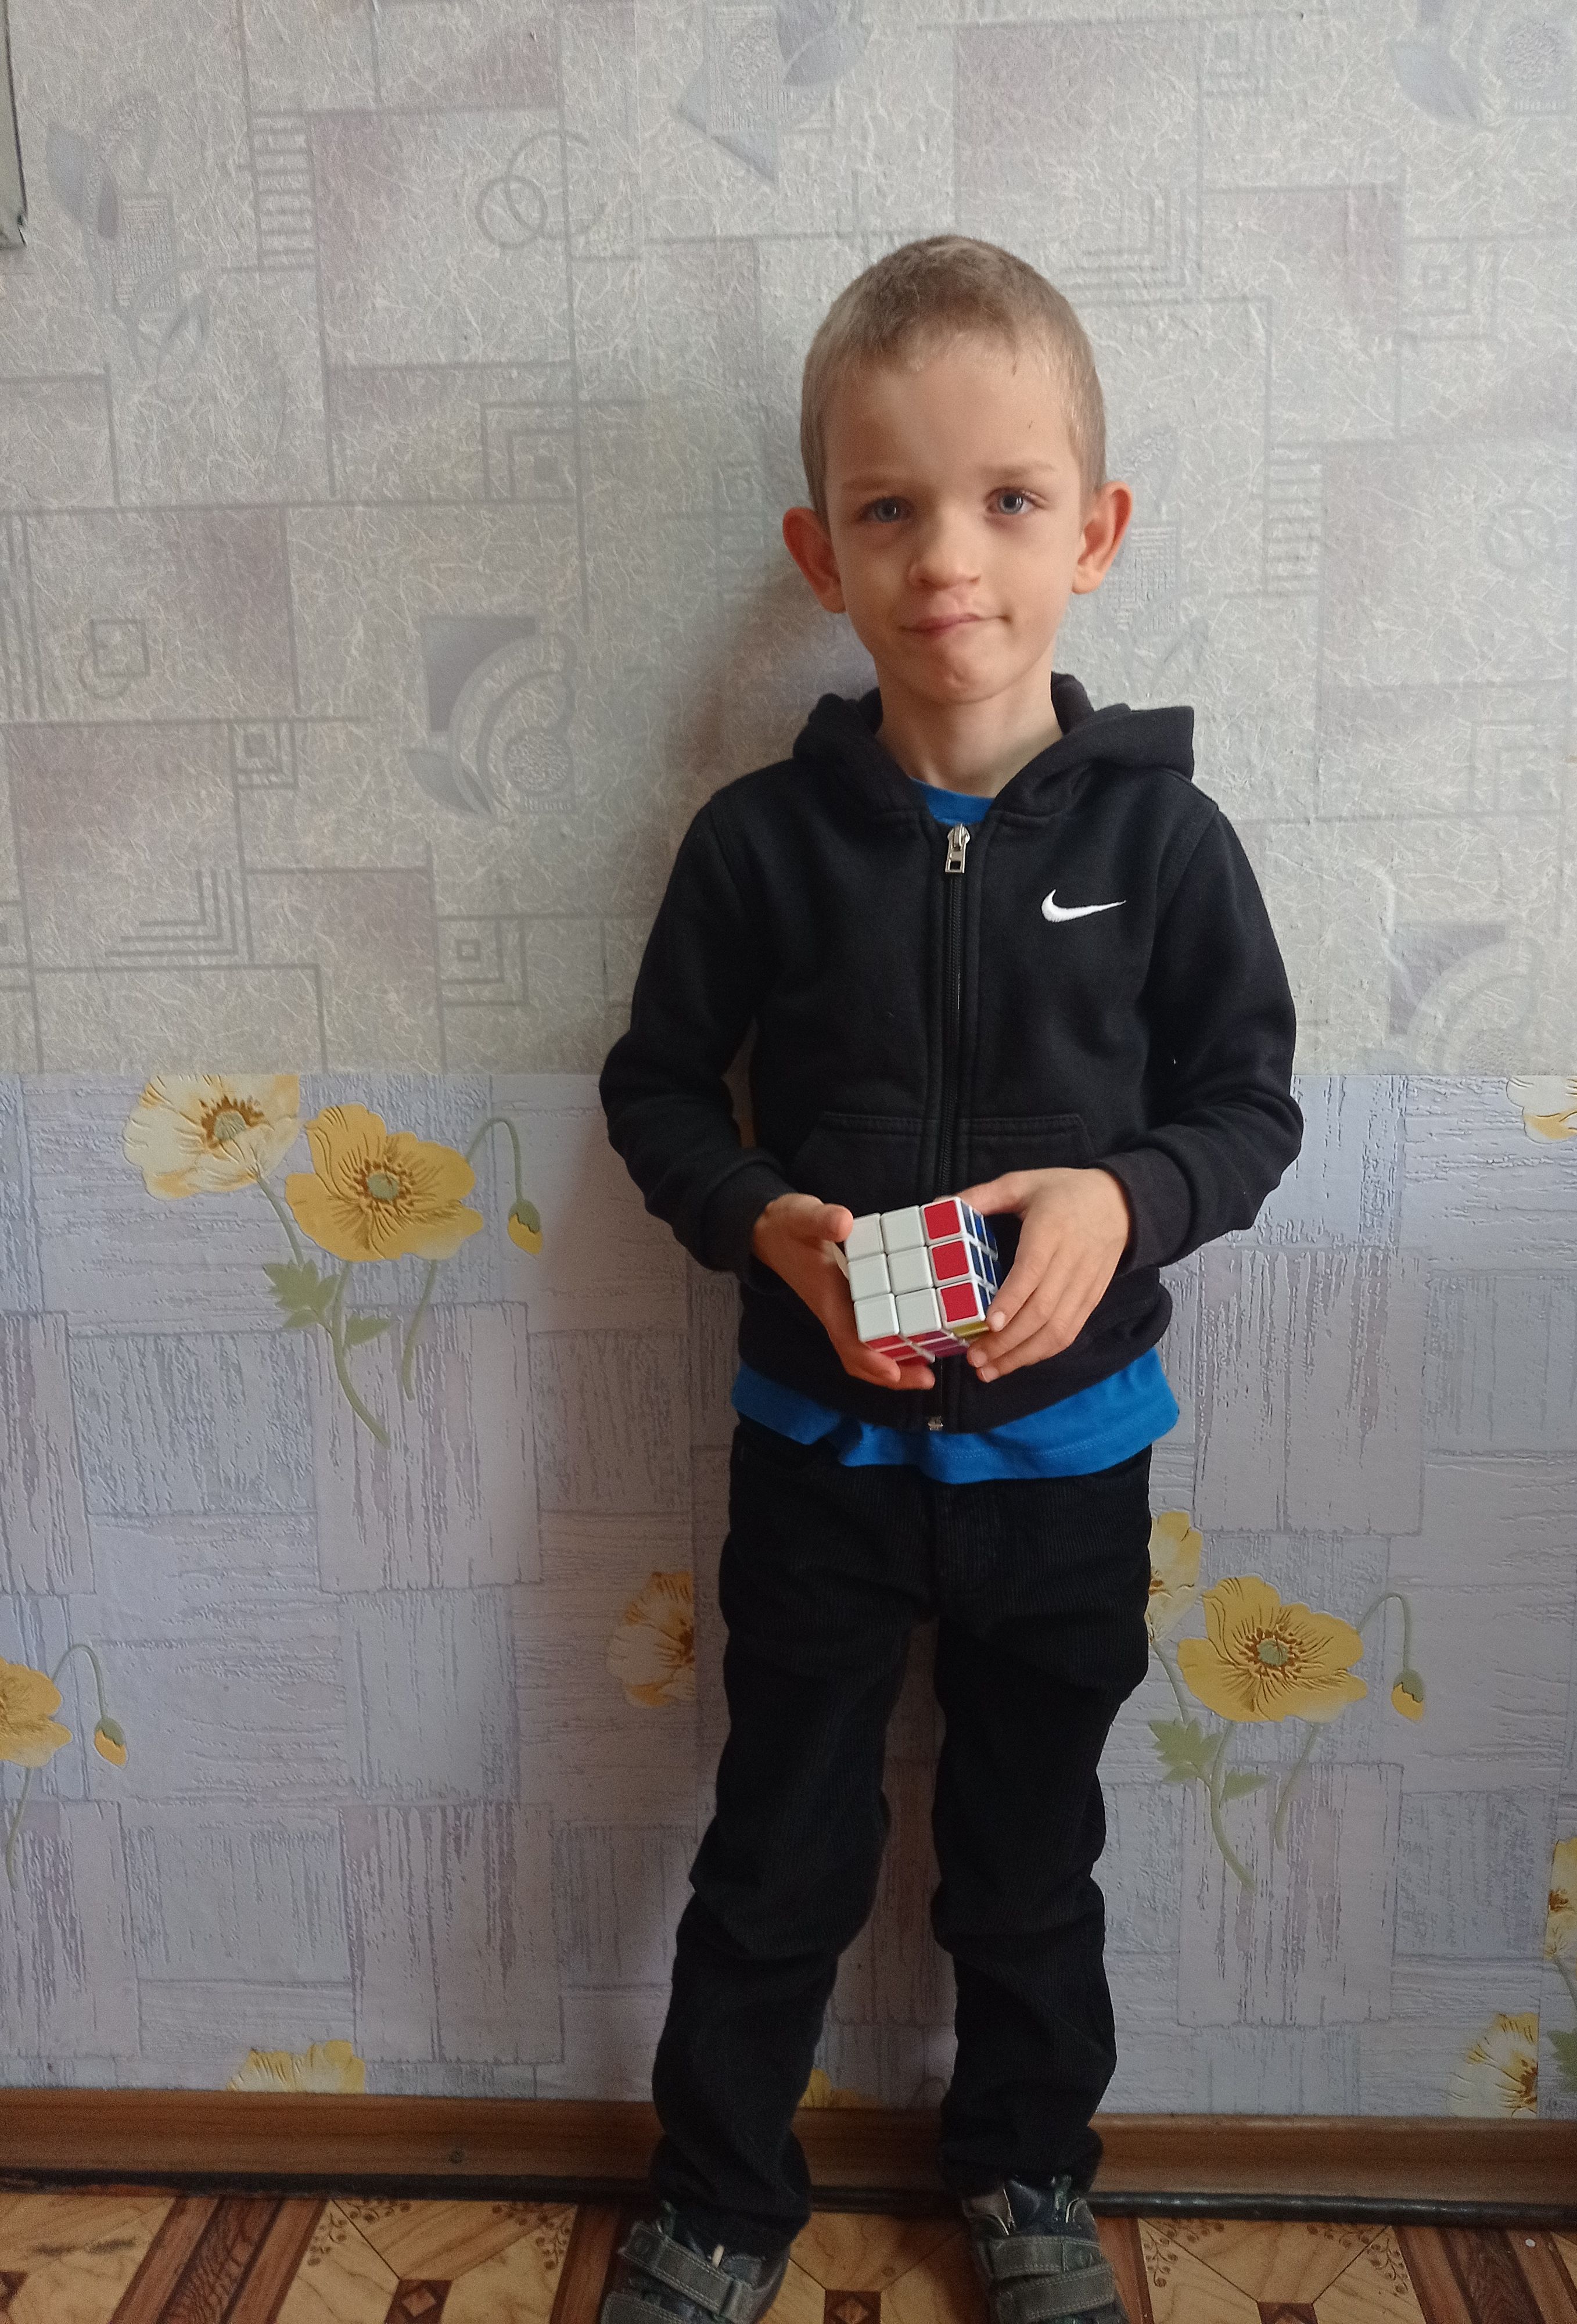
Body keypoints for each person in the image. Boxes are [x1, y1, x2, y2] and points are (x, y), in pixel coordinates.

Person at [597, 234, 1304, 2324]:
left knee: (1027, 1862)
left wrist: (1126, 1201)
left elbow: (1250, 1108)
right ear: (821, 554)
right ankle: (720, 2200)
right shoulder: (757, 844)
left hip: (1069, 1463)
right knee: (778, 1852)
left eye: (1008, 500)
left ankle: (1027, 2176)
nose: (950, 560)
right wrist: (768, 1224)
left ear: (1096, 533)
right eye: (892, 508)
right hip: (819, 1455)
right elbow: (657, 1095)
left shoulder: (1169, 847)